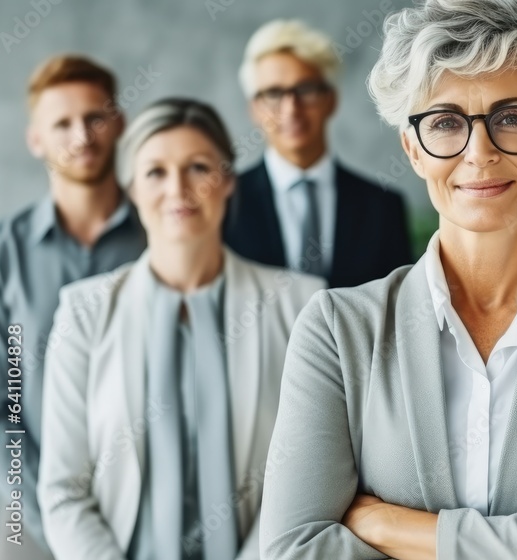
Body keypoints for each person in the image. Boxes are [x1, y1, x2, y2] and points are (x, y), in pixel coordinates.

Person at [259, 1, 517, 558]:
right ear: (414, 150)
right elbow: (293, 548)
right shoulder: (338, 330)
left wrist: (393, 527)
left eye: (511, 118)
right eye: (445, 122)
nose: (479, 152)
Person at [37, 99, 324, 559]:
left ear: (228, 180)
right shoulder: (82, 312)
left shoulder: (302, 304)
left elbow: (312, 477)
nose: (178, 189)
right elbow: (63, 491)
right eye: (155, 172)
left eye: (197, 168)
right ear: (130, 187)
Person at [0, 54, 146, 560]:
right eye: (62, 123)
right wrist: (49, 518)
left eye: (95, 116)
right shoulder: (2, 256)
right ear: (35, 138)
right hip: (30, 531)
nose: (82, 136)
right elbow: (2, 407)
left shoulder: (163, 237)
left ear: (118, 121)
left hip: (151, 518)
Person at [223, 19, 413, 287]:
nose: (291, 109)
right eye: (274, 93)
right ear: (254, 109)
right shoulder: (226, 203)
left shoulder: (382, 207)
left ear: (330, 100)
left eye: (306, 90)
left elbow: (396, 308)